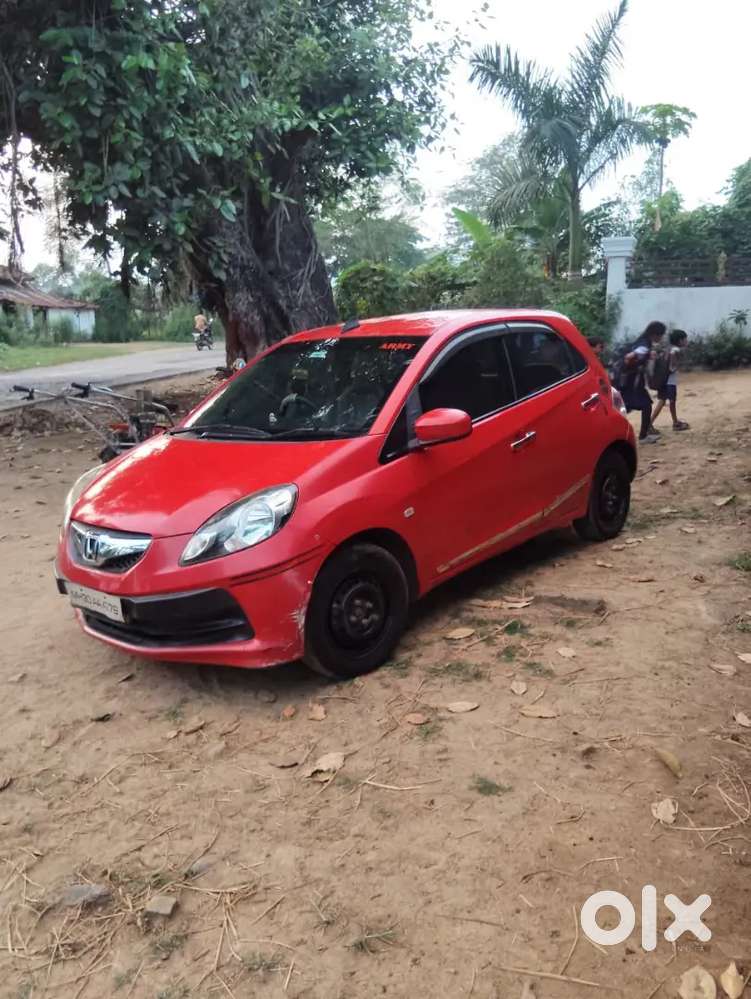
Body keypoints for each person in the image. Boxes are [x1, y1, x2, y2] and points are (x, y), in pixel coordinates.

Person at [616, 321, 666, 443]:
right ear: (655, 334)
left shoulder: (642, 342)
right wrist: (646, 355)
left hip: (630, 381)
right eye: (661, 335)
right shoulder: (644, 346)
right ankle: (642, 437)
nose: (661, 337)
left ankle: (640, 435)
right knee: (642, 406)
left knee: (627, 407)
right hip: (632, 382)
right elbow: (629, 358)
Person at [651, 329, 690, 431]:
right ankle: (675, 423)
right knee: (671, 401)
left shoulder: (669, 348)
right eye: (685, 339)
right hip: (670, 382)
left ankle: (649, 424)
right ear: (680, 340)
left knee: (662, 401)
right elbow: (672, 364)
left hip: (663, 380)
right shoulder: (675, 350)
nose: (687, 341)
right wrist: (674, 367)